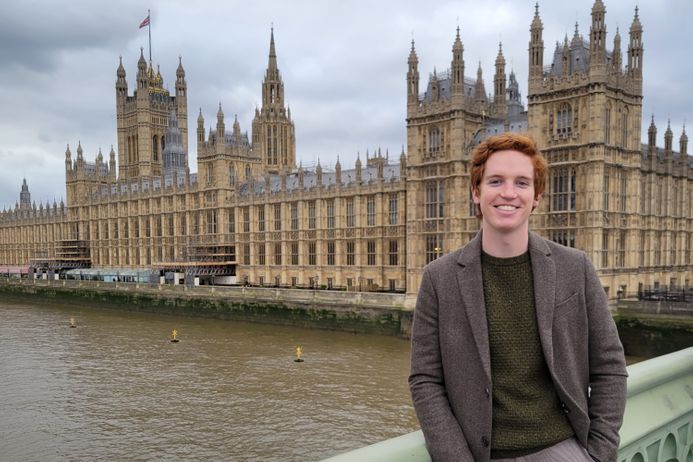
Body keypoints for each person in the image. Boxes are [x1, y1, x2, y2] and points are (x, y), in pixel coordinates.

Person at [408, 133, 627, 462]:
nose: (508, 193)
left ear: (537, 196)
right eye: (496, 181)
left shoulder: (575, 267)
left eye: (522, 183)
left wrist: (598, 451)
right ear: (476, 192)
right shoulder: (440, 278)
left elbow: (610, 366)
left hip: (562, 447)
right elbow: (425, 380)